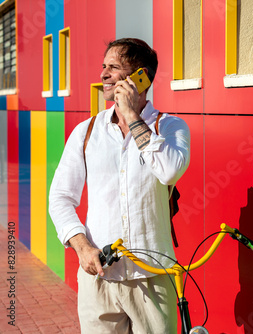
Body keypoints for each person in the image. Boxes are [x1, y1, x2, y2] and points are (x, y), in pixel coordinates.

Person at [49, 38, 190, 333]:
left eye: (113, 67)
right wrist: (83, 248)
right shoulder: (86, 132)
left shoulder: (170, 127)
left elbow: (169, 171)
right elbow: (60, 197)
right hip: (98, 277)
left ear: (141, 77)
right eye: (103, 66)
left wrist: (131, 115)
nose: (103, 74)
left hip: (152, 278)